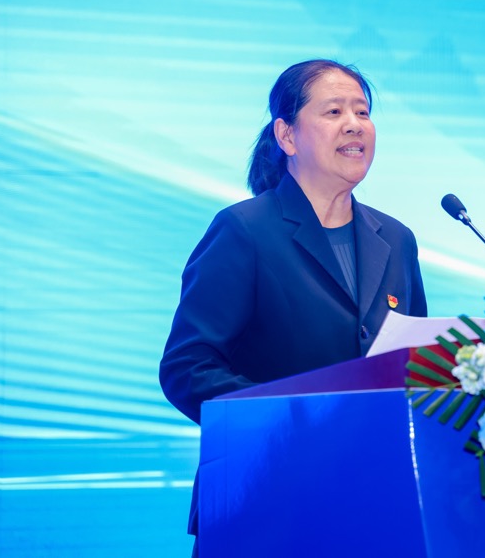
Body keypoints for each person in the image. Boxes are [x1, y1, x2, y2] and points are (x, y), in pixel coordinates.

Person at [159, 59, 427, 555]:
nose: (354, 124)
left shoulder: (396, 239)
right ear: (286, 135)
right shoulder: (245, 230)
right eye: (334, 111)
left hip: (376, 502)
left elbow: (414, 365)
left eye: (363, 112)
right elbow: (187, 367)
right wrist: (296, 420)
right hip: (264, 500)